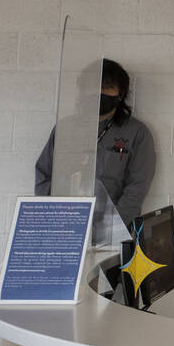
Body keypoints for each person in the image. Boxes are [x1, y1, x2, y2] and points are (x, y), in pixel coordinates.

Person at [35, 58, 156, 225]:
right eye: (93, 85)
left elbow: (136, 188)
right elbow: (43, 175)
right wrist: (57, 215)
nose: (100, 92)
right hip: (64, 226)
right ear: (83, 90)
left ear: (120, 94)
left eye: (108, 86)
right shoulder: (65, 128)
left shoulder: (137, 133)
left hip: (111, 232)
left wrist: (110, 227)